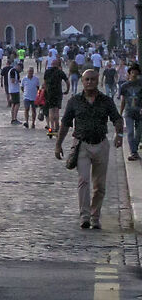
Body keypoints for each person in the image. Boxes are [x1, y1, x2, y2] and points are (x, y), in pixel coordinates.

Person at [58, 65, 124, 230]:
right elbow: (65, 123)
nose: (90, 82)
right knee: (83, 181)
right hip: (82, 145)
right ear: (82, 81)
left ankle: (95, 217)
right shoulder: (74, 101)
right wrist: (58, 144)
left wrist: (119, 135)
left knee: (99, 185)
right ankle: (85, 216)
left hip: (101, 144)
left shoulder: (106, 101)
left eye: (93, 79)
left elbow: (117, 118)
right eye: (87, 80)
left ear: (97, 81)